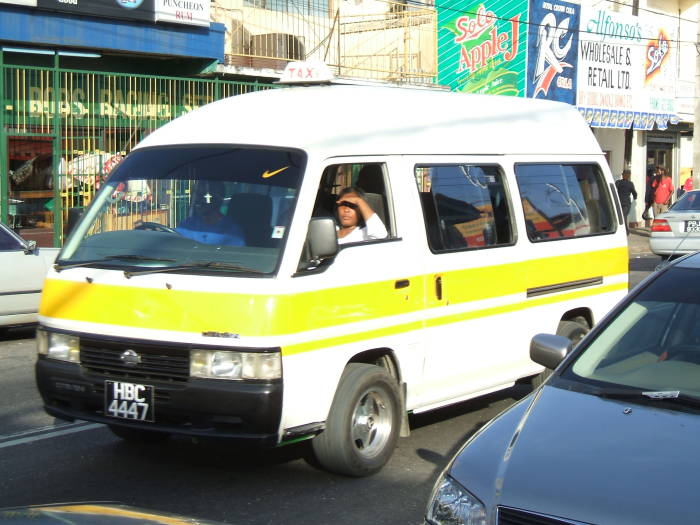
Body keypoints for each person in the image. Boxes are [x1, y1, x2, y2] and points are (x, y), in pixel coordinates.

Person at [176, 180, 245, 246]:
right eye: (195, 195)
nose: (197, 200)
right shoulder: (187, 225)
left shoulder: (231, 231)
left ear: (217, 199)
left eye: (203, 195)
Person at [615, 169, 637, 234]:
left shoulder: (618, 182)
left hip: (619, 202)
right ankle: (626, 231)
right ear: (629, 176)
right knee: (624, 216)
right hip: (626, 203)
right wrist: (635, 197)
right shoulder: (630, 184)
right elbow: (634, 193)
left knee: (620, 217)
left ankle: (623, 230)